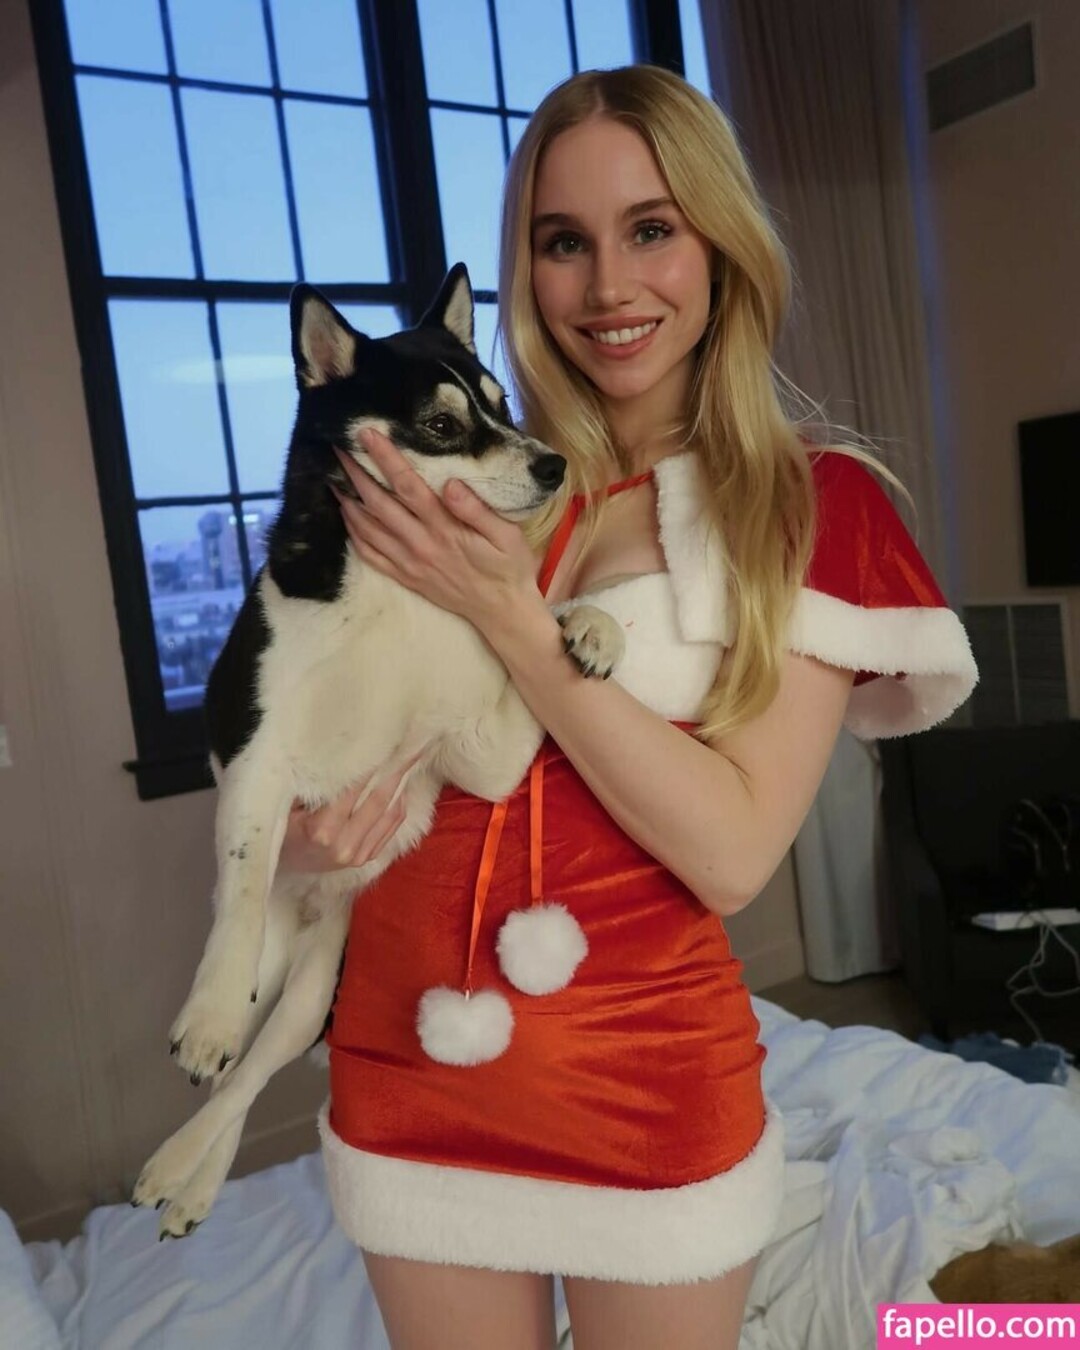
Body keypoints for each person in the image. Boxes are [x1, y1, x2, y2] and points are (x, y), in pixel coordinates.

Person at [277, 65, 976, 1350]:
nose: (608, 286)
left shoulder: (807, 501)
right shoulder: (466, 491)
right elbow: (326, 752)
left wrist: (515, 625)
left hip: (641, 1087)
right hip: (408, 1067)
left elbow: (732, 853)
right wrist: (302, 844)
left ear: (719, 244)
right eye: (564, 242)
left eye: (651, 228)